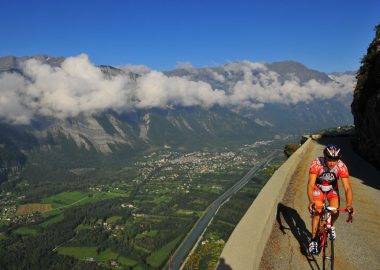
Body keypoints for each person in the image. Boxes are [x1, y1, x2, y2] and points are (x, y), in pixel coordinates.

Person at [307, 144, 354, 255]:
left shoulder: (341, 166)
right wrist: (311, 202)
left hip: (332, 189)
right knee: (317, 211)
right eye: (329, 160)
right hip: (318, 188)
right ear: (324, 157)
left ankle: (329, 226)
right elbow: (310, 184)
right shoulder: (317, 164)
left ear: (339, 159)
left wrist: (349, 205)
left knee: (335, 210)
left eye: (335, 160)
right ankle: (313, 239)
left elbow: (347, 188)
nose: (332, 163)